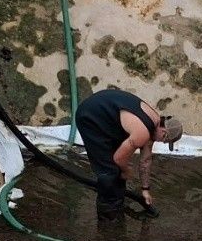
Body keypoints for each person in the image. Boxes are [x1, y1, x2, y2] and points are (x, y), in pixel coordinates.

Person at [73, 87, 183, 218]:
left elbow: (145, 161)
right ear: (164, 133)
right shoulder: (142, 132)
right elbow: (118, 158)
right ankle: (107, 217)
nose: (160, 142)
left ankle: (116, 204)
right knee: (109, 170)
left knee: (118, 170)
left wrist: (145, 190)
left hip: (108, 118)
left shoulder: (154, 124)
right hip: (90, 116)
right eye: (164, 141)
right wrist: (126, 170)